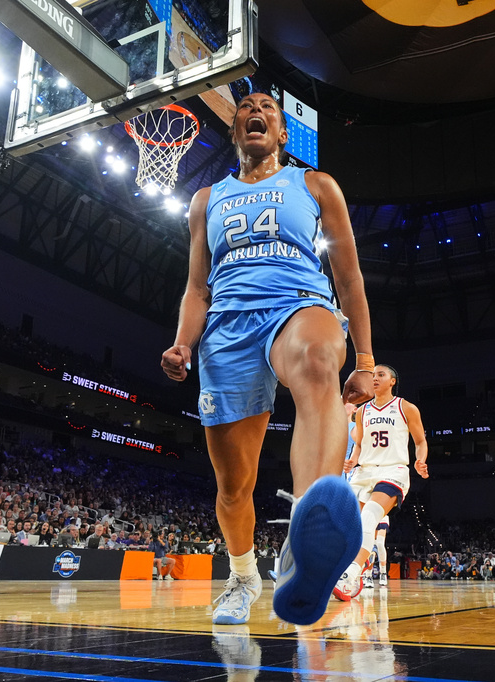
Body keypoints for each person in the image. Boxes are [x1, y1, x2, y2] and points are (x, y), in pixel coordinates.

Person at [160, 92, 374, 626]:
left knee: (320, 359)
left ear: (282, 134)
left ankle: (308, 531)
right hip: (226, 327)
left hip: (298, 304)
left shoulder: (315, 184)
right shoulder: (206, 200)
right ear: (235, 131)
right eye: (245, 107)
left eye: (268, 108)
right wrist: (184, 341)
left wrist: (365, 358)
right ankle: (242, 577)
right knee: (234, 486)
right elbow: (195, 288)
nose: (256, 109)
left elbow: (347, 278)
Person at [335, 365, 427, 600]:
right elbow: (359, 444)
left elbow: (419, 441)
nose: (375, 378)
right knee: (344, 524)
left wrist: (420, 460)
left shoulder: (406, 408)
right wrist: (352, 460)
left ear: (392, 381)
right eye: (373, 375)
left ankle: (352, 573)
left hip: (392, 471)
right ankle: (360, 563)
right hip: (364, 472)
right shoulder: (362, 411)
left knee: (369, 519)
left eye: (380, 375)